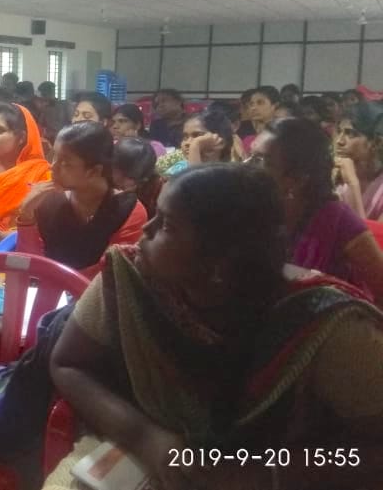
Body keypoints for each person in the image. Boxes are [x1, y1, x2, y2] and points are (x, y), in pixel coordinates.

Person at [43, 164, 383, 490]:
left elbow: (369, 452)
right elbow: (68, 363)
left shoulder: (325, 325)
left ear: (220, 261)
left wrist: (261, 476)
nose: (146, 230)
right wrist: (146, 438)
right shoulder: (131, 280)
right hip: (141, 452)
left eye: (167, 226)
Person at [251, 117, 383, 298]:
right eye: (251, 156)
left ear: (298, 178)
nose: (247, 166)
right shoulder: (251, 210)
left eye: (261, 161)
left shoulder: (337, 219)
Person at [15, 122, 147, 280]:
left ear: (95, 171)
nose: (53, 167)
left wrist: (56, 278)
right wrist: (26, 217)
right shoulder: (48, 201)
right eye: (55, 156)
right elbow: (30, 267)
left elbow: (111, 275)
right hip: (50, 294)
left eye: (65, 162)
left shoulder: (128, 210)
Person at [0, 102, 52, 244]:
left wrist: (5, 236)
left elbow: (48, 226)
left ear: (21, 138)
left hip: (19, 251)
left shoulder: (41, 174)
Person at [336, 102, 383, 220]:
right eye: (339, 132)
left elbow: (369, 238)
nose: (339, 141)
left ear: (376, 142)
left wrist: (353, 185)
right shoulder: (336, 177)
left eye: (350, 134)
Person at [158, 109, 234, 177]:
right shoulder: (177, 170)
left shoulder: (229, 175)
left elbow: (194, 184)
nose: (187, 142)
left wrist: (195, 146)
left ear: (220, 142)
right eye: (185, 137)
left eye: (197, 135)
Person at [111, 137, 162, 218]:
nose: (128, 183)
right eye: (124, 175)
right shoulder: (99, 178)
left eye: (133, 178)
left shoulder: (156, 188)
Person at [243, 84, 280, 152]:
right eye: (251, 104)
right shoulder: (248, 141)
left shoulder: (283, 138)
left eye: (260, 103)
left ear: (275, 105)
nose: (253, 108)